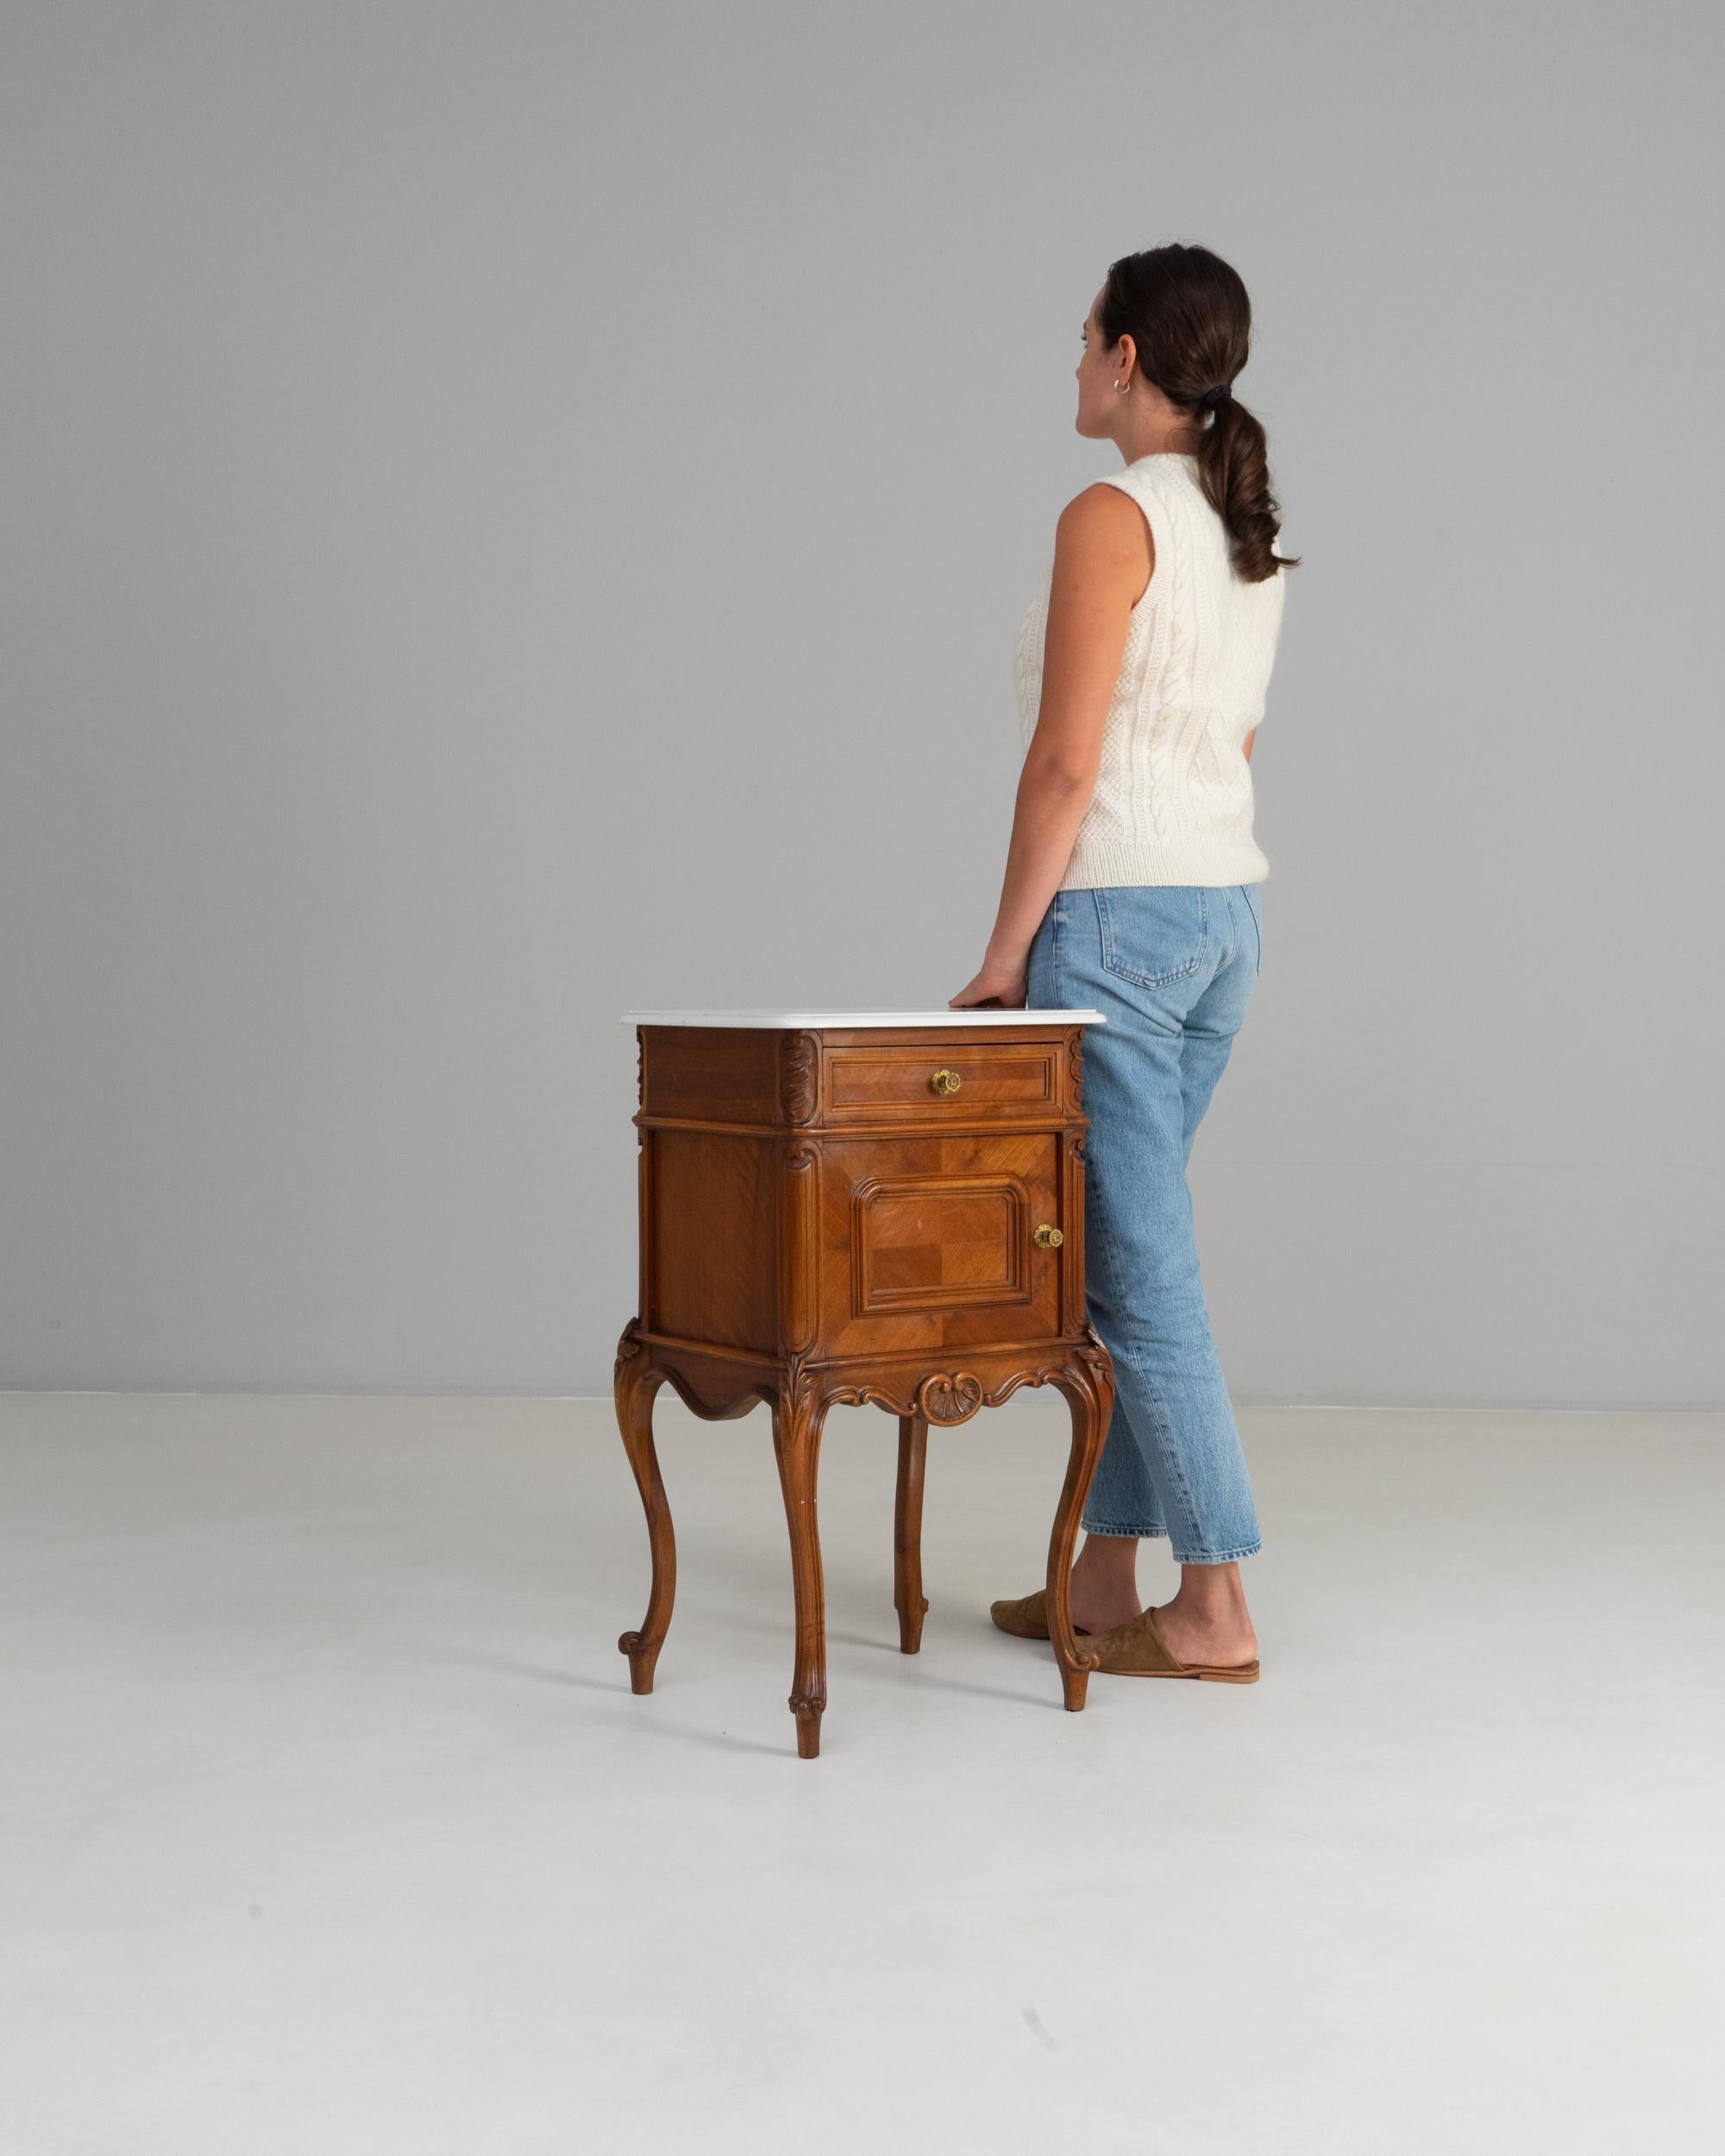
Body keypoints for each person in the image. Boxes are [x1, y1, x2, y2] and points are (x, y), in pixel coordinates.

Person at [949, 241, 1299, 1684]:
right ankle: (1103, 1581)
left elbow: (1067, 760)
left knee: (1137, 1281)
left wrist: (1006, 948)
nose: (1075, 357)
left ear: (1128, 360)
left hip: (1117, 926)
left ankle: (1212, 1606)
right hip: (1221, 918)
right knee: (1116, 1253)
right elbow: (1241, 741)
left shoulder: (1111, 513)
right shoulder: (1245, 525)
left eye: (1085, 334)